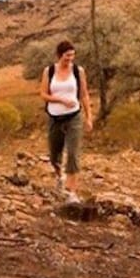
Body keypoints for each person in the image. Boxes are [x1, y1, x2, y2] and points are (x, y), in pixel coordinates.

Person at [40, 40, 93, 203]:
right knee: (54, 154)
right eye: (67, 56)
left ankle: (71, 192)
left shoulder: (78, 71)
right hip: (54, 117)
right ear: (59, 55)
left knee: (73, 153)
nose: (70, 59)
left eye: (72, 55)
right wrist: (60, 100)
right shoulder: (49, 71)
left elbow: (84, 94)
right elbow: (43, 94)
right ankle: (59, 176)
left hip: (74, 116)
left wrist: (89, 117)